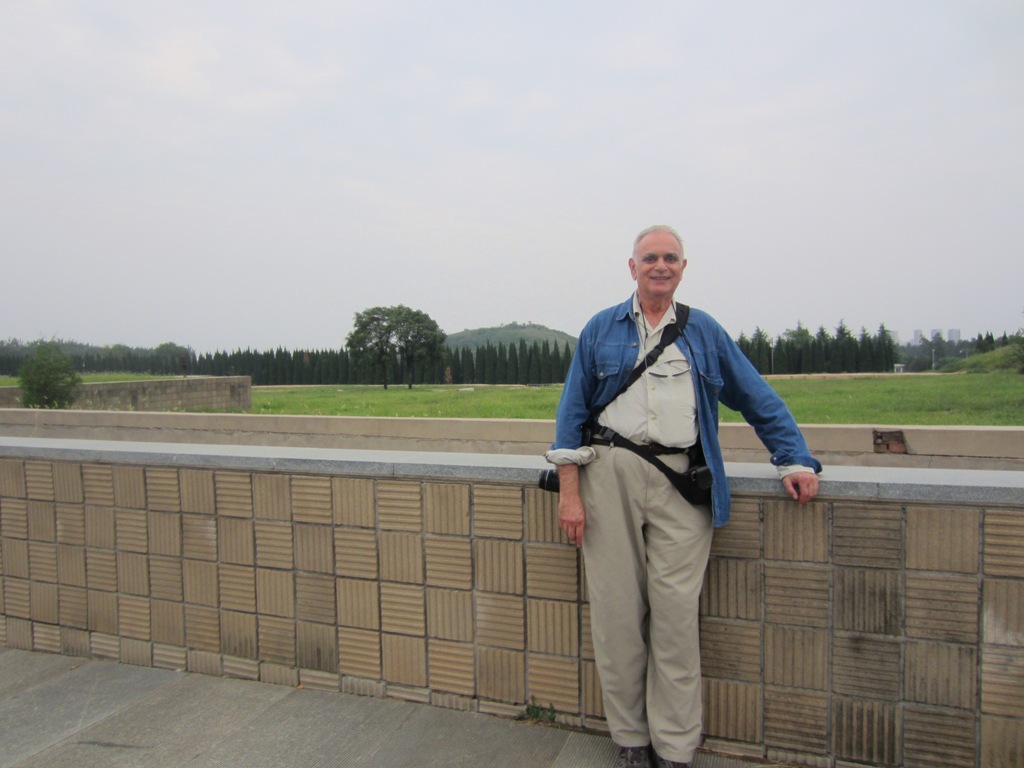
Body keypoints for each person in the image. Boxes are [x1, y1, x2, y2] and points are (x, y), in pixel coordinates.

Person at [545, 225, 821, 768]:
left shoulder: (704, 332)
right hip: (609, 479)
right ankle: (630, 739)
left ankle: (674, 747)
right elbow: (570, 419)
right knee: (618, 615)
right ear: (632, 267)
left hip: (681, 482)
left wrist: (793, 457)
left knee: (675, 618)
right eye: (650, 257)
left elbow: (755, 395)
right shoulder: (600, 330)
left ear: (683, 268)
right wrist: (569, 495)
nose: (660, 266)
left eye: (671, 257)